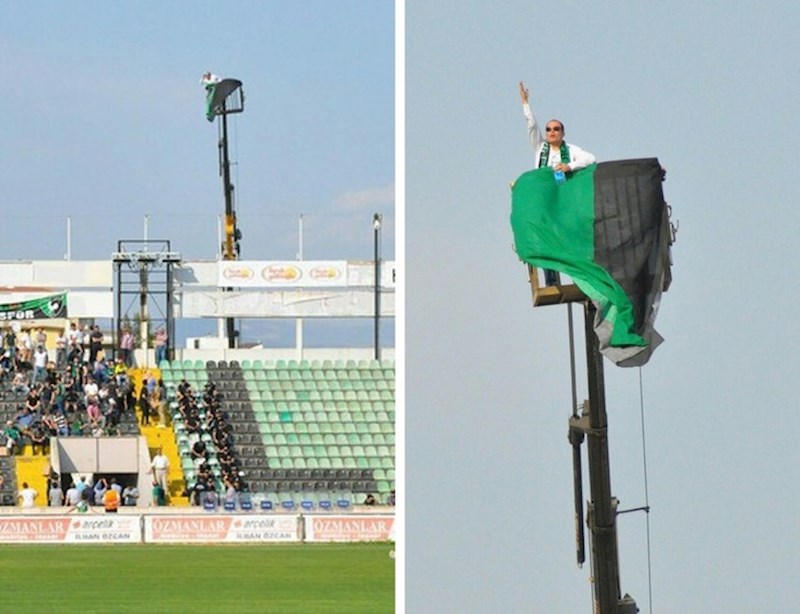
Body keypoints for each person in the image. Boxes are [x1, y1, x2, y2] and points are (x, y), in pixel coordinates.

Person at [519, 81, 597, 284]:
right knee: (545, 239)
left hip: (564, 201)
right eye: (549, 129)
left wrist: (569, 166)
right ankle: (552, 280)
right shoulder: (540, 149)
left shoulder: (570, 150)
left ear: (563, 132)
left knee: (569, 238)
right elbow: (531, 127)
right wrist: (526, 105)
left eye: (556, 129)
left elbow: (590, 159)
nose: (552, 132)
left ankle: (582, 278)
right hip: (545, 201)